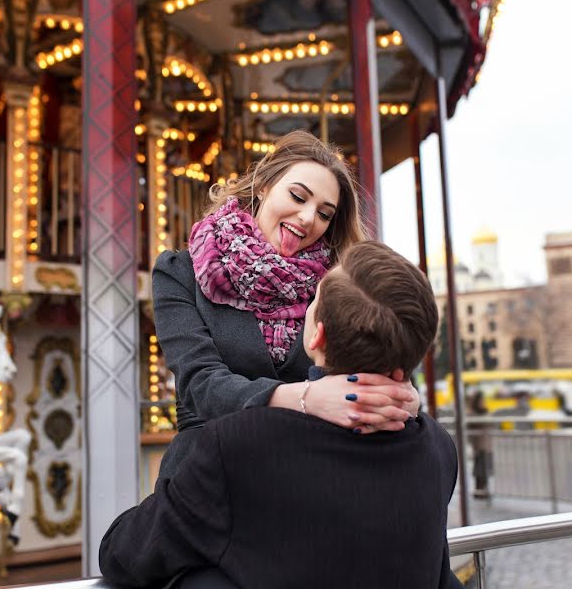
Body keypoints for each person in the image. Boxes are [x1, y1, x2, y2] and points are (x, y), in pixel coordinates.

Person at [100, 241, 462, 589]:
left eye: (313, 299)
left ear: (316, 336)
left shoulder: (239, 446)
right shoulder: (438, 450)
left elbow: (124, 553)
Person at [151, 130, 419, 480]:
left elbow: (373, 365)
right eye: (297, 196)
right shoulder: (180, 272)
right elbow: (199, 384)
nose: (308, 218)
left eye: (325, 214)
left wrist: (403, 398)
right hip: (210, 470)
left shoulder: (332, 285)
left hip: (307, 470)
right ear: (263, 185)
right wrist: (305, 398)